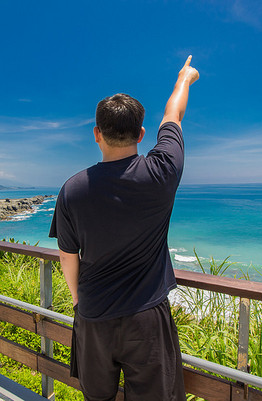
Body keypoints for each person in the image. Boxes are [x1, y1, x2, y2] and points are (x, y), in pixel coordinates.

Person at [49, 56, 199, 401]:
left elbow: (68, 257)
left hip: (93, 315)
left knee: (96, 396)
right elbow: (172, 116)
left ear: (96, 134)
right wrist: (184, 79)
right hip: (146, 317)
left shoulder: (72, 189)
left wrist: (78, 300)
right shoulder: (162, 172)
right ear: (142, 134)